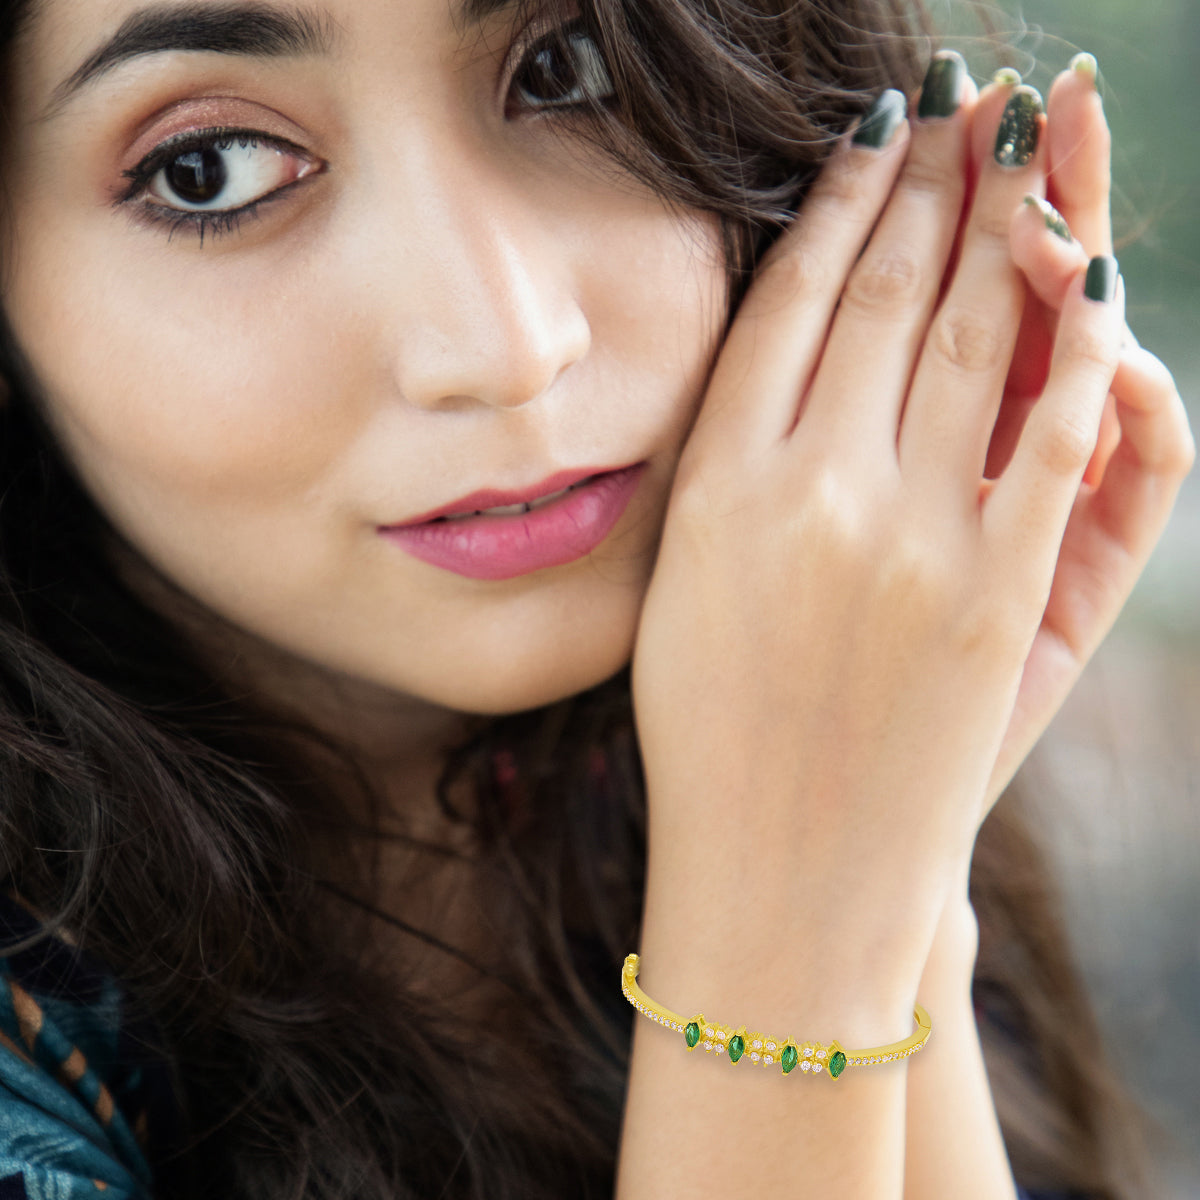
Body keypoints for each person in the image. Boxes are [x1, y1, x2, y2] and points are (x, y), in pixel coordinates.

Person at [0, 0, 1191, 1197]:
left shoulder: (748, 726)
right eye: (210, 172)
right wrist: (785, 943)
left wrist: (880, 849)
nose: (508, 344)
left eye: (569, 70)